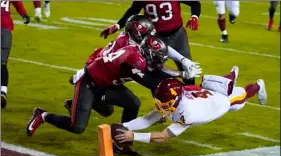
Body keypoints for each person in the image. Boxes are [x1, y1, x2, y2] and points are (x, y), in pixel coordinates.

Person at [26, 35, 185, 136]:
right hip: (90, 82)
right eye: (157, 58)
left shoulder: (136, 52)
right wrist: (181, 76)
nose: (160, 62)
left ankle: (120, 138)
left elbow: (155, 73)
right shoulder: (134, 60)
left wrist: (182, 74)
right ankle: (43, 115)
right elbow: (150, 81)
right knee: (77, 127)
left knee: (122, 107)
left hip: (108, 83)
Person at [64, 15, 202, 117]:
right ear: (138, 33)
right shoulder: (131, 50)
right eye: (147, 33)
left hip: (108, 69)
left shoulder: (132, 41)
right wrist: (181, 74)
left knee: (108, 111)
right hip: (100, 74)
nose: (151, 35)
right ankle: (81, 90)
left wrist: (183, 59)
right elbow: (153, 72)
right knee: (112, 108)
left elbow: (158, 45)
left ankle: (80, 99)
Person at [112, 66, 267, 145]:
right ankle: (230, 78)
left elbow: (164, 137)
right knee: (223, 88)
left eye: (164, 103)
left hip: (220, 102)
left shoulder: (187, 113)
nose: (161, 107)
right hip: (206, 94)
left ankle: (259, 85)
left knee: (241, 99)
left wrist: (134, 136)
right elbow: (147, 120)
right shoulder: (174, 100)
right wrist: (123, 126)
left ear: (174, 100)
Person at [100, 1, 201, 85]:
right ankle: (165, 100)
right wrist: (117, 25)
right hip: (155, 37)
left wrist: (195, 17)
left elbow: (195, 3)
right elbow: (133, 10)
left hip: (178, 36)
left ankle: (191, 98)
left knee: (189, 71)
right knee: (156, 71)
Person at [1, 0, 30, 109]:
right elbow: (17, 2)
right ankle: (3, 91)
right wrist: (24, 14)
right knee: (2, 63)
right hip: (5, 27)